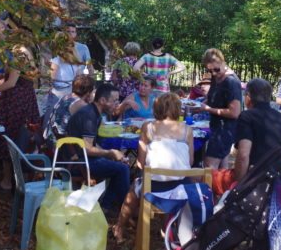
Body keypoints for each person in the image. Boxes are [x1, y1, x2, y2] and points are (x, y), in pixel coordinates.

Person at [112, 93, 194, 241]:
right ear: (178, 109)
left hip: (155, 189)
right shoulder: (187, 130)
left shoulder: (148, 127)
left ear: (156, 108)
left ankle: (119, 228)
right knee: (165, 178)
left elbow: (140, 164)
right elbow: (191, 161)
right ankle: (165, 229)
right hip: (181, 190)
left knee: (136, 186)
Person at [0, 14, 42, 193]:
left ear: (3, 29)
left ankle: (12, 183)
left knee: (14, 139)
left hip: (18, 101)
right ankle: (13, 181)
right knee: (9, 139)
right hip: (13, 99)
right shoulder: (10, 50)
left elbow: (12, 83)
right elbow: (8, 79)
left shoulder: (17, 51)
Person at [65, 83, 130, 213]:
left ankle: (108, 205)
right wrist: (110, 153)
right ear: (102, 100)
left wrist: (114, 156)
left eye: (118, 100)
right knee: (122, 169)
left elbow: (93, 145)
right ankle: (123, 209)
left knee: (120, 165)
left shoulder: (93, 112)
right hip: (77, 163)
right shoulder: (89, 115)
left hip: (79, 159)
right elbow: (88, 149)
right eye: (115, 100)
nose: (117, 104)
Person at [234, 78, 281, 182]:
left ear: (248, 97)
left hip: (256, 181)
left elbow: (243, 155)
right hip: (279, 179)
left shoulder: (246, 116)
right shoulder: (279, 117)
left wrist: (237, 185)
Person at [198, 48, 242, 169]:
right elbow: (215, 97)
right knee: (222, 168)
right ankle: (221, 188)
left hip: (225, 129)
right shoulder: (216, 76)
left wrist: (207, 109)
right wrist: (198, 106)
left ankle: (208, 188)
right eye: (210, 70)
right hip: (217, 127)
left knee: (209, 165)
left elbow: (235, 113)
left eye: (216, 70)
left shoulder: (231, 82)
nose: (213, 73)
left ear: (223, 62)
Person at [42, 24, 91, 122]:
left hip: (59, 93)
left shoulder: (56, 61)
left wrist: (48, 69)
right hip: (71, 91)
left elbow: (52, 78)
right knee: (67, 116)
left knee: (52, 116)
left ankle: (47, 135)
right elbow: (80, 77)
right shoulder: (76, 62)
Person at [48, 75, 96, 141]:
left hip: (53, 139)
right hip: (63, 145)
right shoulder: (80, 103)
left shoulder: (65, 97)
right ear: (88, 92)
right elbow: (96, 120)